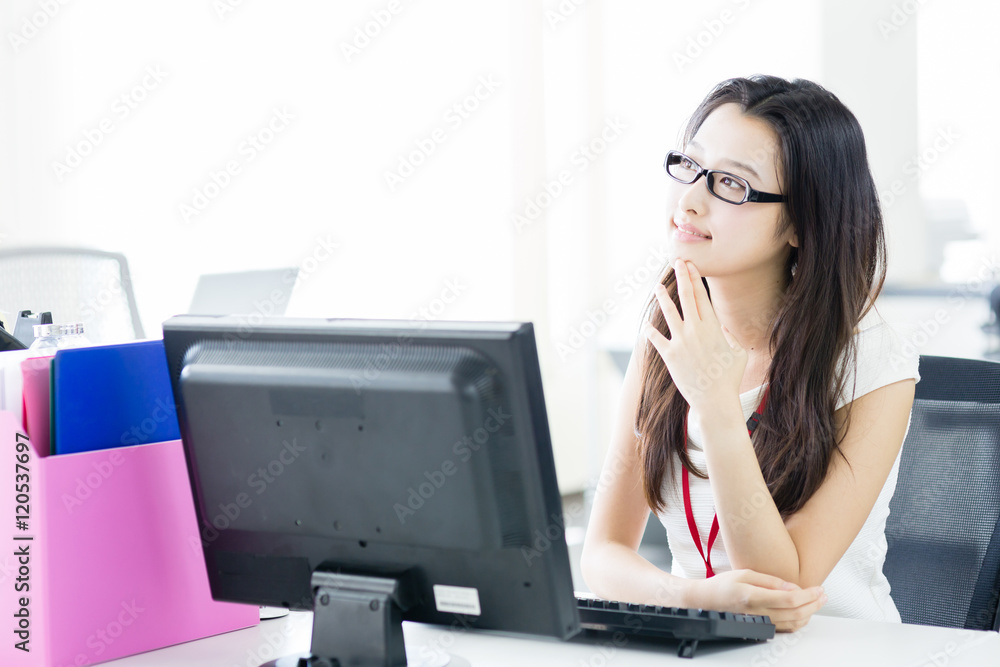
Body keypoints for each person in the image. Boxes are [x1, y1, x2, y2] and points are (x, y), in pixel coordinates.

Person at [580, 75, 920, 632]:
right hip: (707, 639)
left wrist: (715, 404)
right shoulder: (669, 331)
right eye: (688, 167)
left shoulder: (872, 361)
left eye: (731, 185)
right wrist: (690, 597)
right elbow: (604, 553)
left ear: (802, 223)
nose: (687, 202)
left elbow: (781, 594)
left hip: (840, 649)